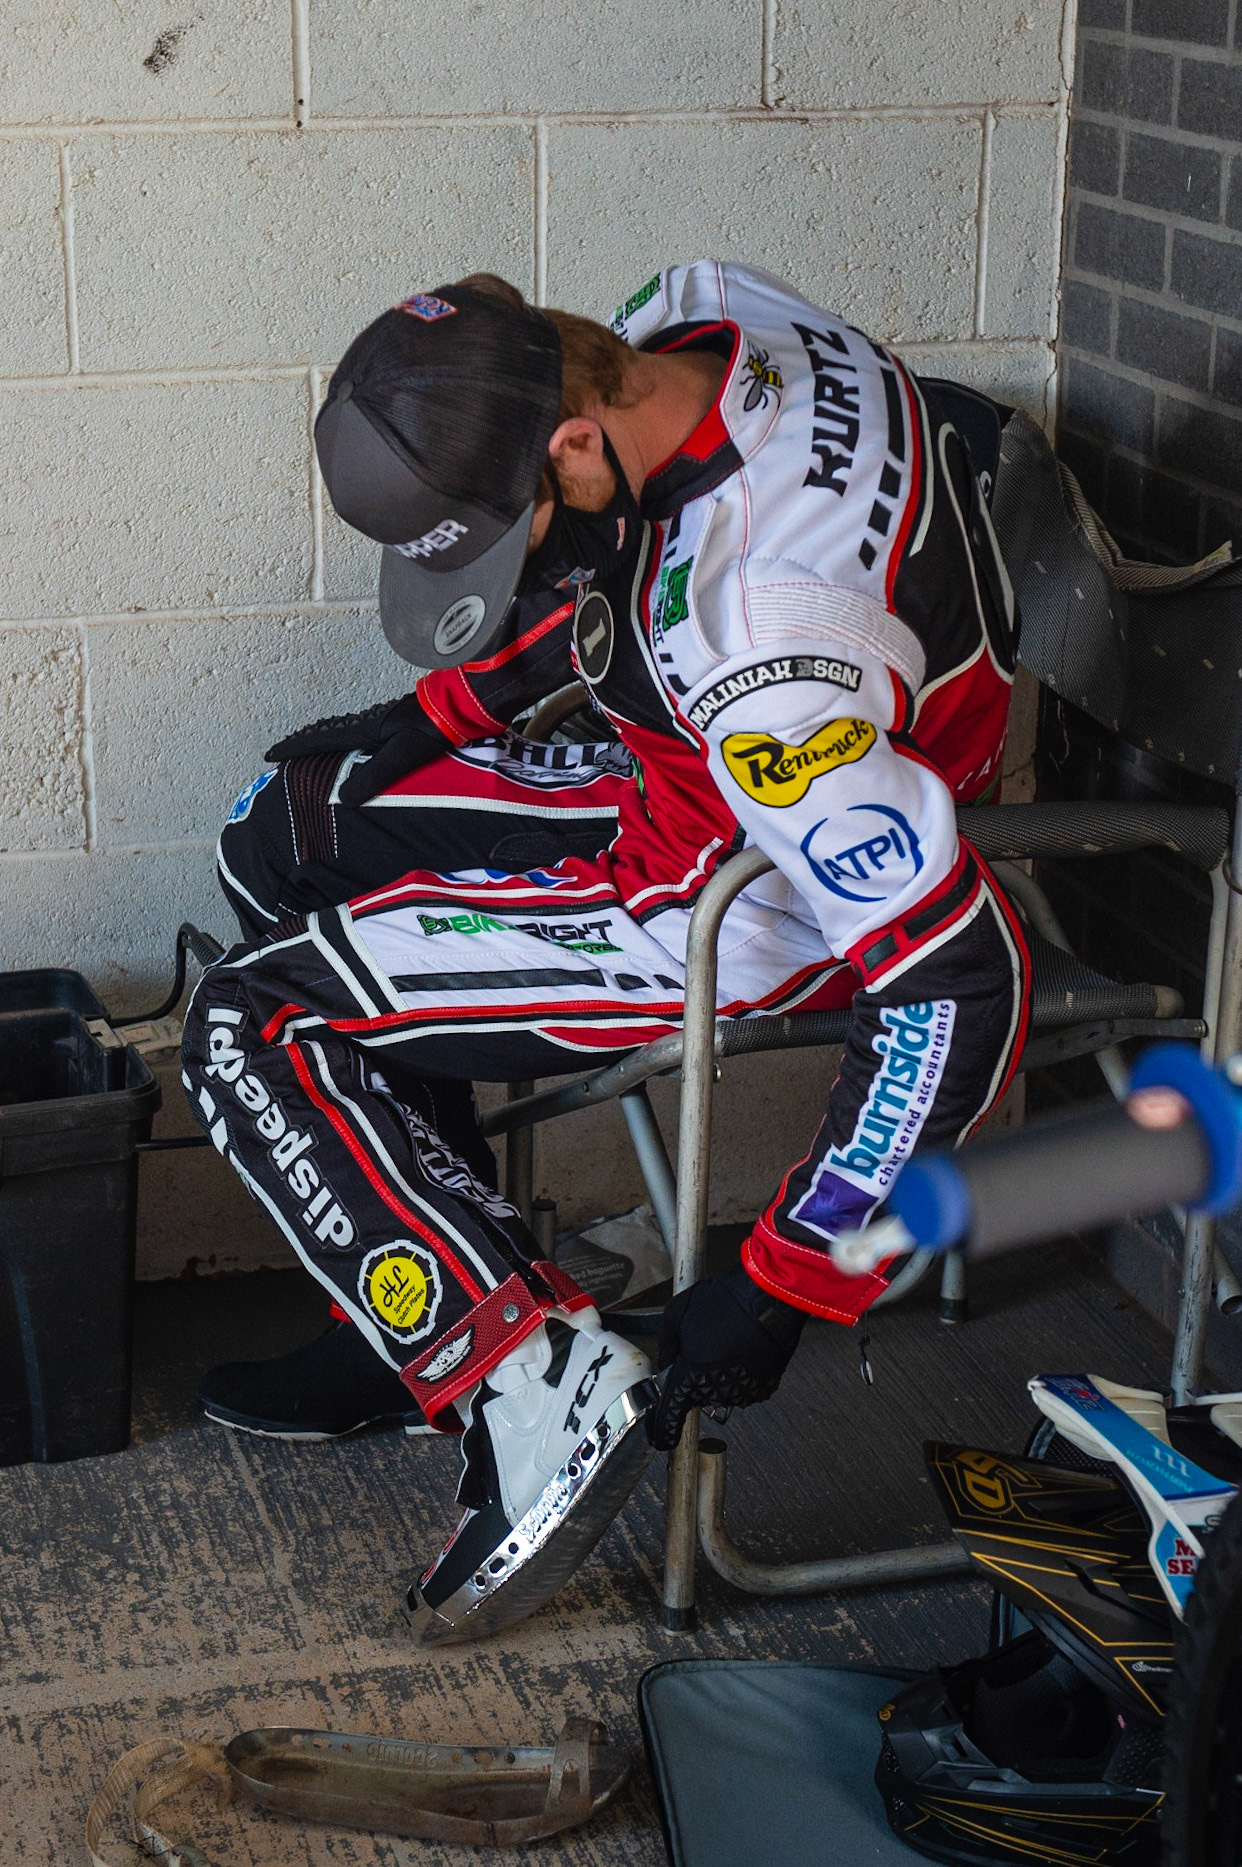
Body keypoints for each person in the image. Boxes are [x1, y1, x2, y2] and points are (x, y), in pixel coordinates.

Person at [182, 261, 1030, 1638]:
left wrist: (786, 1274)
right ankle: (429, 1310)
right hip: (682, 763)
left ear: (569, 442)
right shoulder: (701, 308)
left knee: (250, 1025)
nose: (505, 562)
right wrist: (442, 713)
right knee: (277, 830)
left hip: (742, 886)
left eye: (497, 532)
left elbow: (955, 983)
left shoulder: (763, 650)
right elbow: (620, 576)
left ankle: (524, 1381)